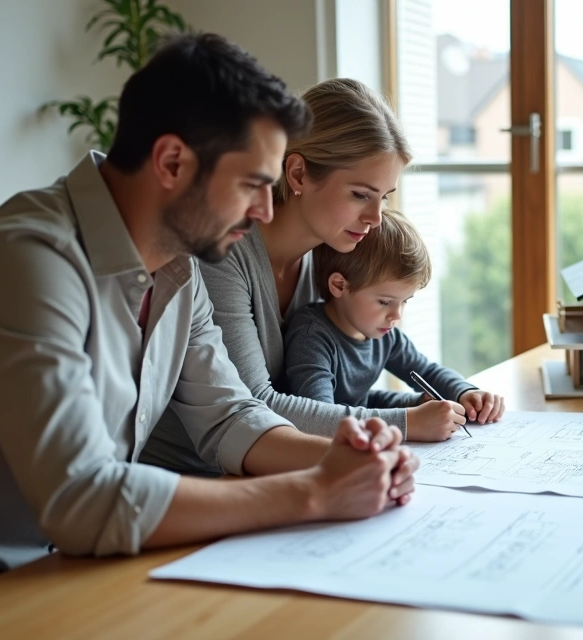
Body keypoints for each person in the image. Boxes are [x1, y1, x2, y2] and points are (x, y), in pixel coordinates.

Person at [0, 33, 418, 595]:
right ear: (172, 161)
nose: (266, 210)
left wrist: (350, 458)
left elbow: (228, 416)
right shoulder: (26, 262)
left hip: (66, 570)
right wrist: (315, 492)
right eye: (252, 184)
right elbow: (83, 498)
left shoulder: (178, 267)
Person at [141, 78, 468, 473]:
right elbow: (258, 407)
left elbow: (329, 397)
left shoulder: (335, 259)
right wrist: (404, 423)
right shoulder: (223, 255)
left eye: (384, 197)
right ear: (297, 174)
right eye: (360, 195)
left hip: (274, 473)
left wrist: (426, 406)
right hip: (188, 484)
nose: (375, 218)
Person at [284, 209, 506, 440]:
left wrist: (465, 392)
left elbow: (427, 372)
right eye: (385, 302)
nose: (396, 315)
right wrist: (410, 421)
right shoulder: (311, 337)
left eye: (404, 302)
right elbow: (320, 420)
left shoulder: (384, 335)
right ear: (339, 285)